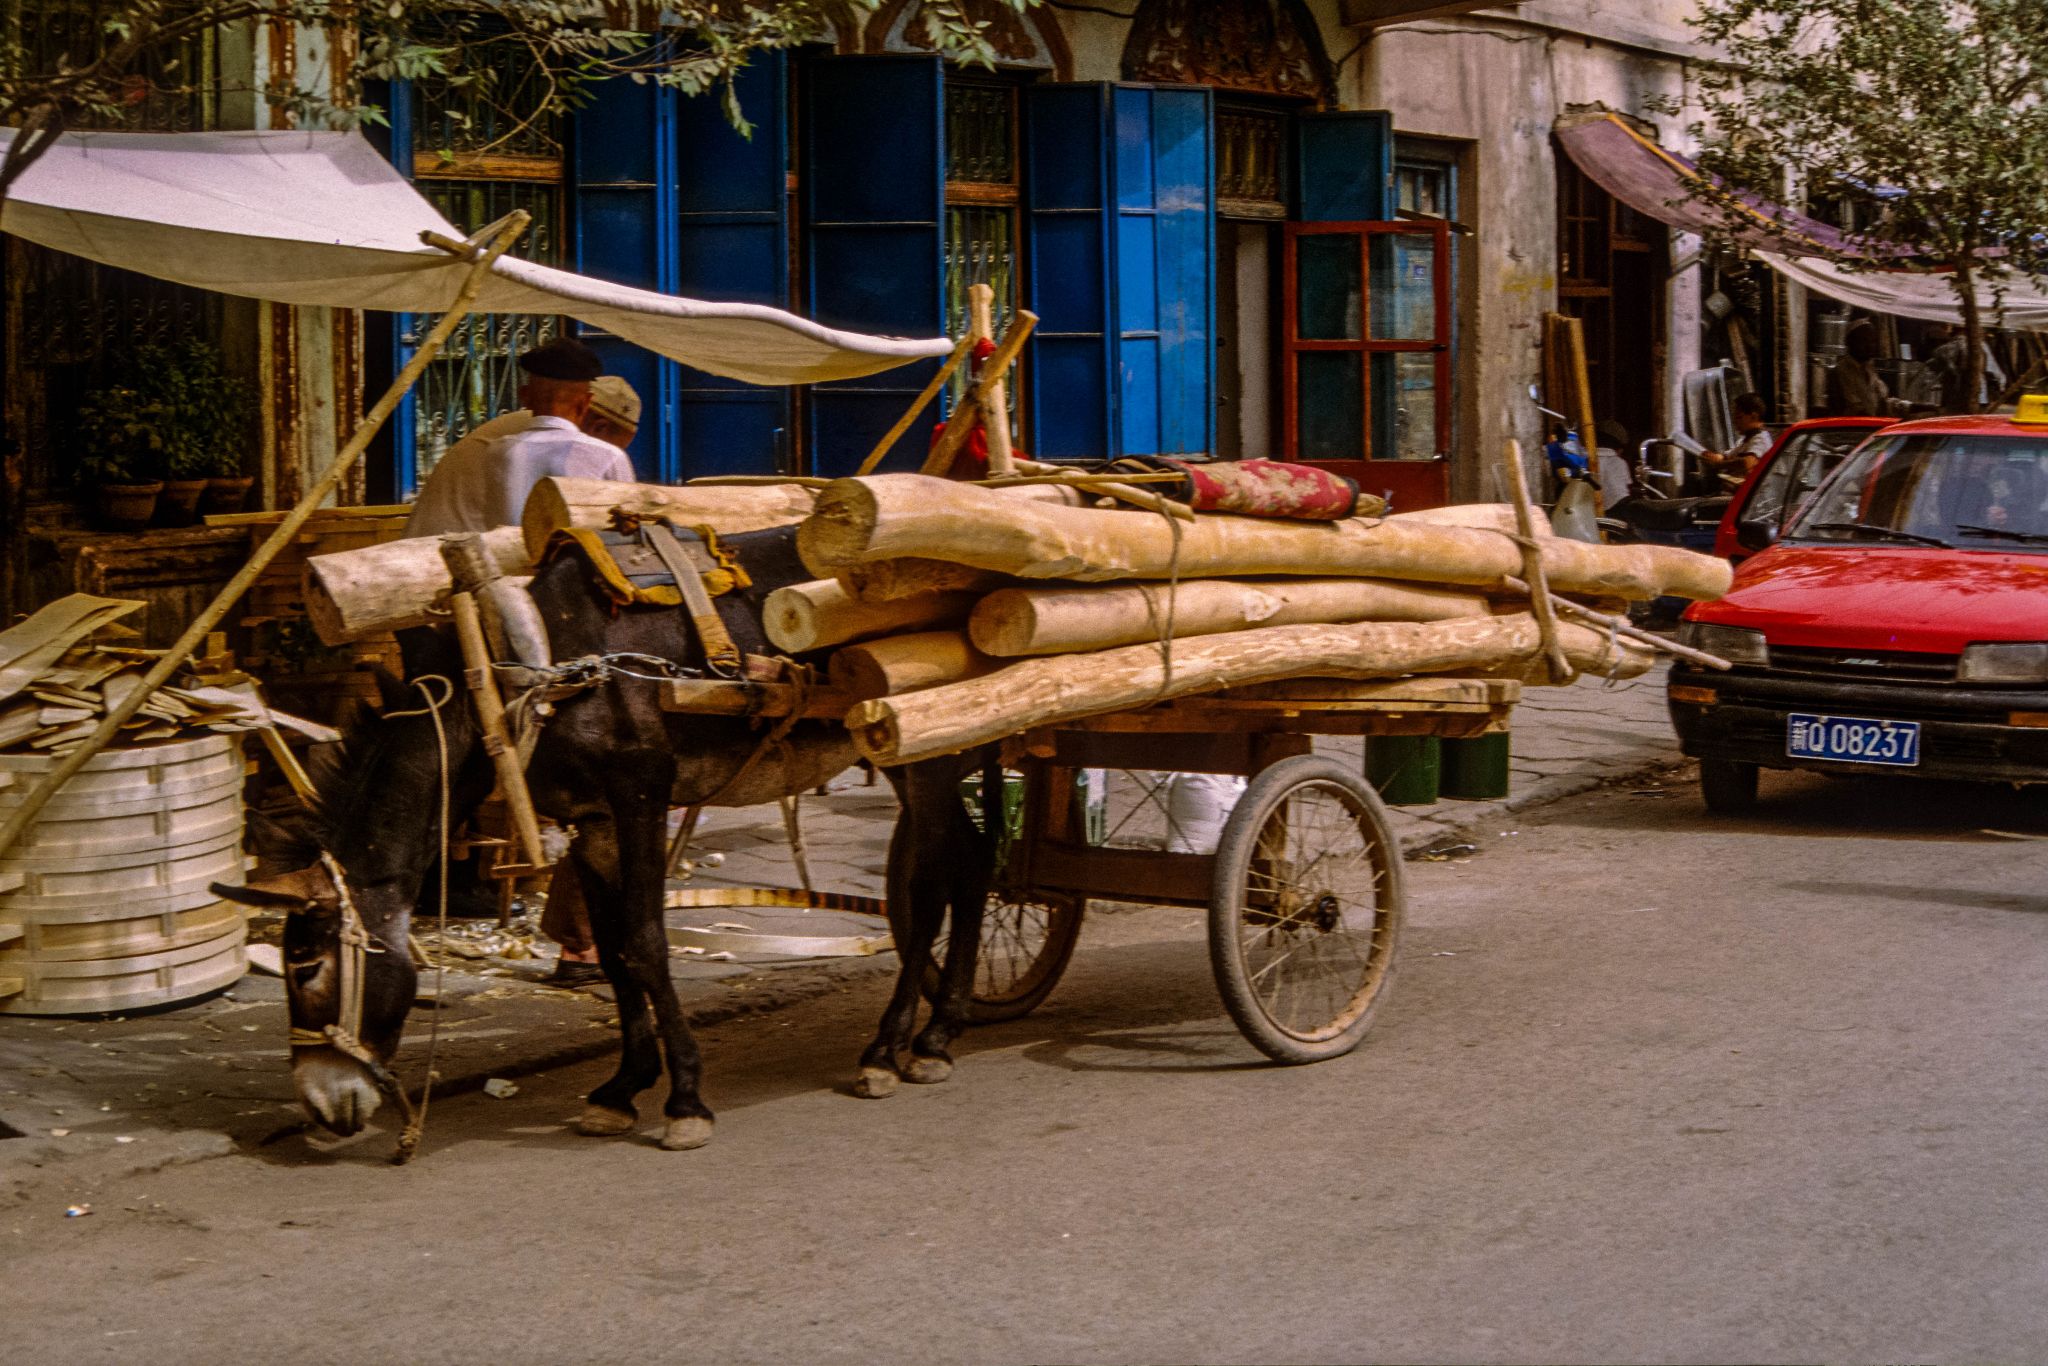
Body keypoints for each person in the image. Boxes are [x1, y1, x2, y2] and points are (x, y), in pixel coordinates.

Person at [536, 373, 642, 989]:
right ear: (597, 420)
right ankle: (584, 946)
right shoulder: (600, 458)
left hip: (481, 629)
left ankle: (579, 939)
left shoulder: (494, 443)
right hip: (561, 639)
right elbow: (624, 557)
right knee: (609, 790)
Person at [404, 336, 634, 538]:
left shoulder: (499, 450)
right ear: (585, 404)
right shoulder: (609, 456)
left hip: (492, 564)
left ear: (524, 397)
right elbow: (628, 528)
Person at [1699, 392, 1773, 490]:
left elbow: (1747, 462)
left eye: (1739, 417)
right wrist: (1712, 457)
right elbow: (1726, 456)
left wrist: (1718, 465)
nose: (1735, 421)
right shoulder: (1743, 442)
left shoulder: (1762, 439)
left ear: (1753, 417)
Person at [1827, 321, 1898, 418]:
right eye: (1864, 341)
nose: (1870, 346)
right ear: (1850, 342)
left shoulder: (1870, 369)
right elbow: (1854, 409)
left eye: (1872, 341)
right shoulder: (1841, 371)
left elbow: (1884, 402)